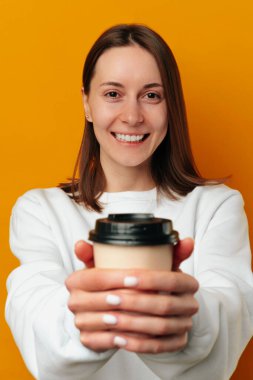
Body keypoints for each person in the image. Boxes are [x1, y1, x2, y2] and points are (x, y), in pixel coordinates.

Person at [5, 24, 253, 380]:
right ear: (87, 103)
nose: (133, 116)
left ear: (171, 107)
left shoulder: (217, 206)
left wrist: (181, 315)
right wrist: (89, 318)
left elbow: (233, 314)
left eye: (152, 95)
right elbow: (33, 321)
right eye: (113, 94)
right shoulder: (40, 211)